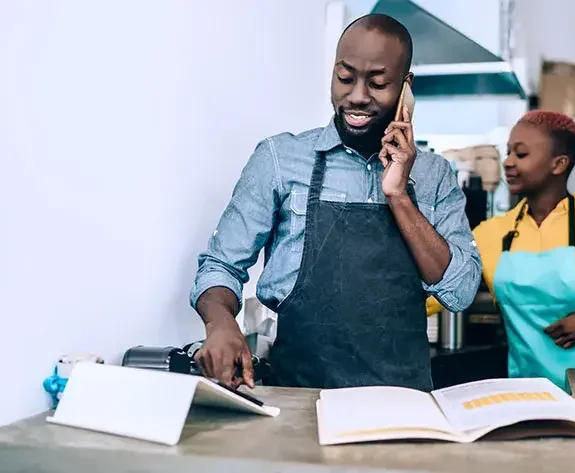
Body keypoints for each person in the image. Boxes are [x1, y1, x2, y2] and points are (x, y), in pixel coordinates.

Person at [190, 14, 481, 391]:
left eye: (377, 83)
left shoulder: (434, 176)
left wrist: (398, 194)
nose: (358, 95)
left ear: (406, 88)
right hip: (299, 396)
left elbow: (460, 292)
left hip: (403, 406)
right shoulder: (280, 159)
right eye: (345, 78)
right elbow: (220, 265)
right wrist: (221, 324)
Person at [427, 110, 575, 391]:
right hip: (533, 389)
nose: (508, 163)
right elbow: (437, 294)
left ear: (559, 164)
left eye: (521, 154)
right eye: (508, 153)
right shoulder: (489, 234)